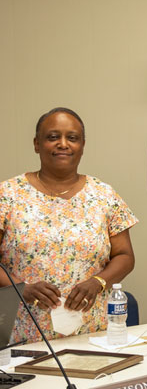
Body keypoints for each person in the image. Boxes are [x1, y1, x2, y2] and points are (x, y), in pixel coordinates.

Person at [0, 108, 137, 343]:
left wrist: (98, 282)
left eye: (72, 138)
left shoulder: (104, 195)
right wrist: (20, 289)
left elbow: (125, 256)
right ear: (36, 144)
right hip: (22, 332)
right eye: (53, 137)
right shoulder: (8, 194)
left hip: (94, 331)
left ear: (82, 145)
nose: (63, 144)